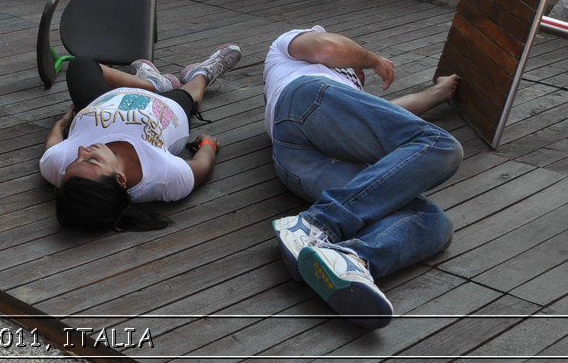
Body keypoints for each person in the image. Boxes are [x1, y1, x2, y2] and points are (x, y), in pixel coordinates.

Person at [265, 27, 462, 329]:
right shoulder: (290, 51)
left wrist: (437, 93)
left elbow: (390, 115)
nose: (359, 76)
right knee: (441, 145)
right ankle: (318, 222)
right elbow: (327, 47)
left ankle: (350, 259)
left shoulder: (348, 96)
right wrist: (373, 59)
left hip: (296, 162)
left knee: (432, 220)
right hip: (305, 100)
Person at [41, 45, 242, 233]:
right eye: (92, 160)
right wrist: (208, 145)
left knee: (80, 64)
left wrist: (61, 123)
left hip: (99, 102)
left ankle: (152, 83)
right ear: (120, 179)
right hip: (164, 110)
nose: (81, 151)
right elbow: (202, 167)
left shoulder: (60, 169)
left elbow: (52, 148)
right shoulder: (164, 176)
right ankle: (201, 74)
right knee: (191, 93)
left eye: (72, 162)